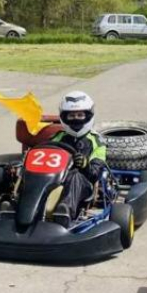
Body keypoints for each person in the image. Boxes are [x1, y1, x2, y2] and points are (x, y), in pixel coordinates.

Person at [49, 91, 107, 228]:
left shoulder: (97, 141)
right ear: (64, 117)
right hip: (55, 179)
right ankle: (17, 208)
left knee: (75, 175)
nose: (76, 119)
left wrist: (86, 165)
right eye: (71, 115)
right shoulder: (57, 137)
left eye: (80, 115)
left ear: (88, 116)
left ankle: (64, 212)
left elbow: (95, 174)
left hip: (83, 184)